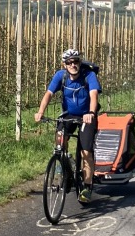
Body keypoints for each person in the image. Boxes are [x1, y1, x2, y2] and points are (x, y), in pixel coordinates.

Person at [34, 47, 100, 203]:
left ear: (80, 62)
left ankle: (87, 186)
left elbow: (93, 94)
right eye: (69, 62)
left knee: (85, 152)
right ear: (65, 64)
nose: (73, 65)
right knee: (59, 139)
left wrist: (91, 113)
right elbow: (49, 94)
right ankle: (62, 167)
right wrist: (40, 111)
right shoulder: (60, 76)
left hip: (86, 116)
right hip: (68, 115)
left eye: (76, 61)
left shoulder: (88, 75)